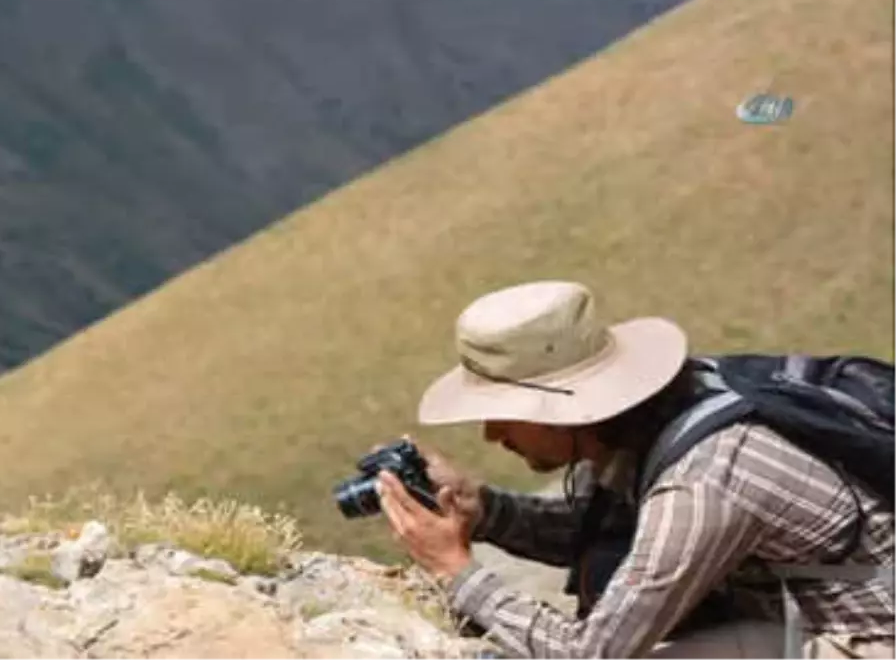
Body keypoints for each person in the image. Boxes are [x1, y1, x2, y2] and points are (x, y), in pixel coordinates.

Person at [374, 280, 894, 659]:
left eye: (503, 414)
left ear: (559, 410)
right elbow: (605, 533)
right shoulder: (670, 408)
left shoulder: (702, 478)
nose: (492, 434)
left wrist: (454, 570)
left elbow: (594, 654)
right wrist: (483, 510)